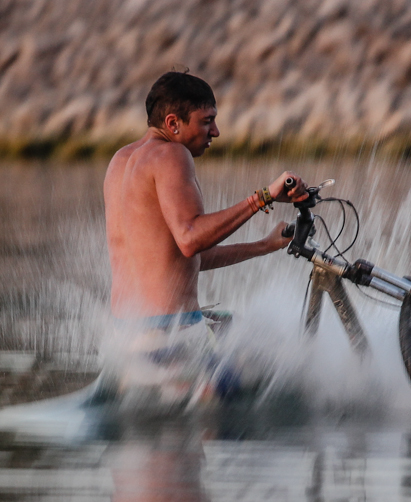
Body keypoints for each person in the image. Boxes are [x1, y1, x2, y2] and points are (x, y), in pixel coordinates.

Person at [100, 71, 306, 404]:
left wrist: (263, 246)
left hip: (129, 336)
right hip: (172, 338)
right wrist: (264, 197)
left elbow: (178, 257)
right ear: (173, 123)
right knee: (282, 367)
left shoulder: (120, 162)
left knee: (237, 327)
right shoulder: (171, 155)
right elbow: (190, 238)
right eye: (207, 121)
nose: (216, 132)